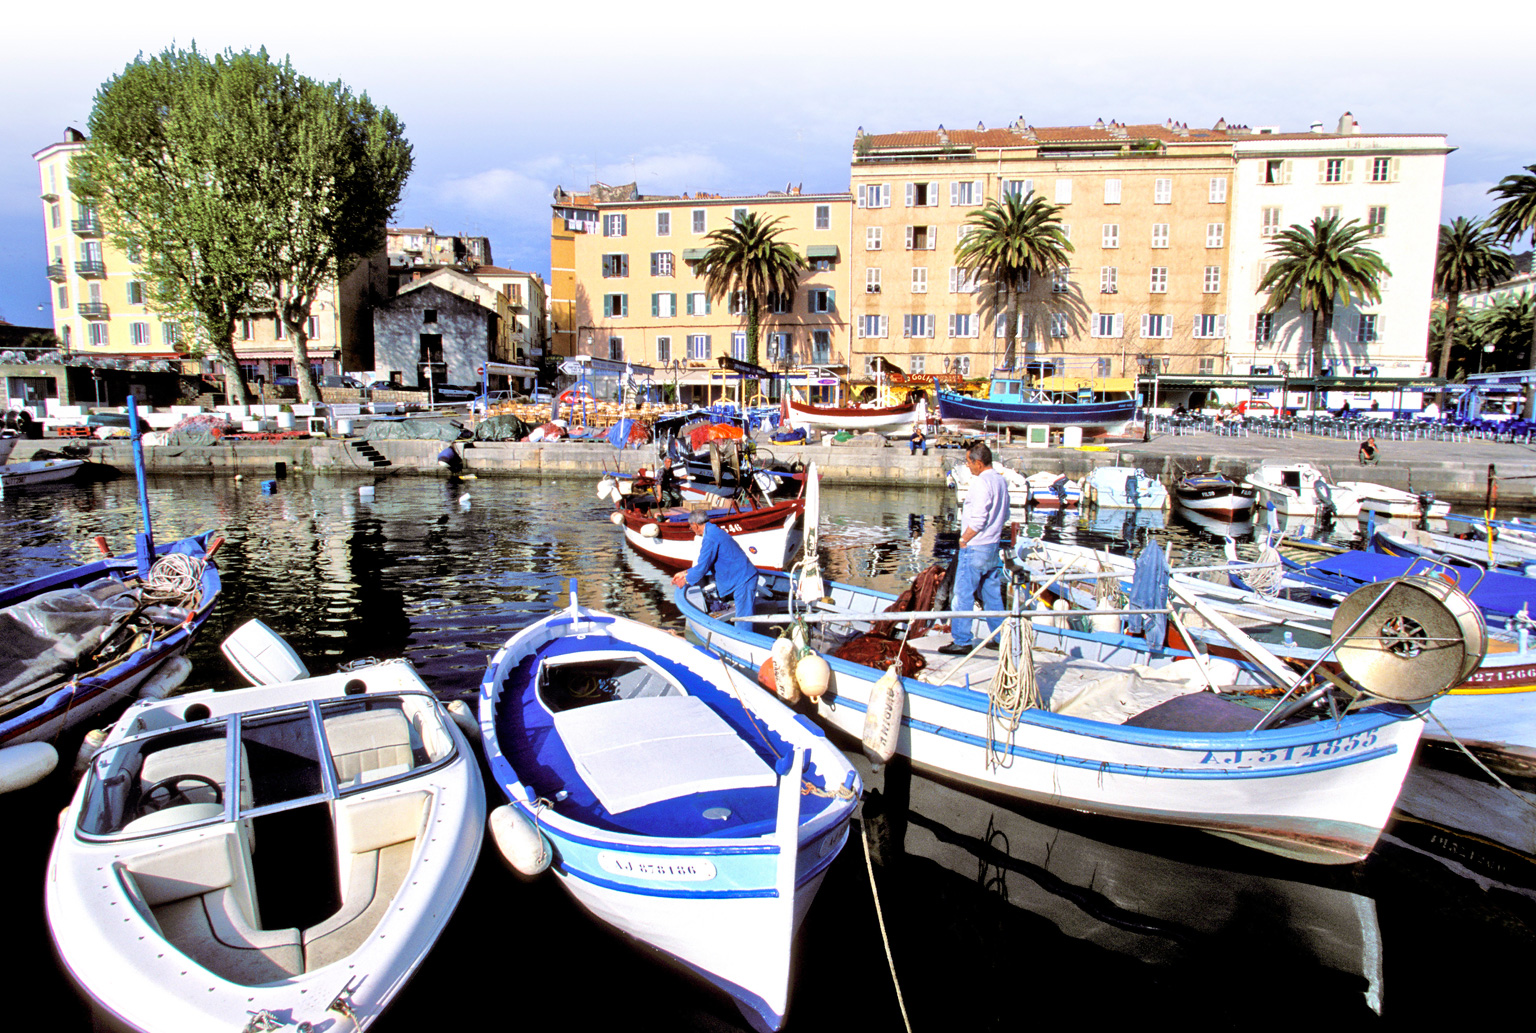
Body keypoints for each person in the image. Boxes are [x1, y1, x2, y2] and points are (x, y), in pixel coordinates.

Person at [942, 442, 1009, 655]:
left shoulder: (981, 483)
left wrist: (964, 539)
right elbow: (1005, 515)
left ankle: (962, 640)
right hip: (992, 546)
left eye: (969, 461)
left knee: (963, 595)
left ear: (979, 463)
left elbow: (979, 519)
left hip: (975, 546)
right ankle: (999, 637)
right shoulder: (1000, 480)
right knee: (991, 594)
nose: (967, 465)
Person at [672, 511, 760, 617]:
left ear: (695, 524)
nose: (691, 529)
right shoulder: (713, 530)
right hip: (742, 576)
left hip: (743, 579)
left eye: (690, 526)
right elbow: (707, 563)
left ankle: (744, 634)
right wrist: (684, 572)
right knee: (744, 614)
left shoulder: (710, 538)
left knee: (743, 620)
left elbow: (702, 566)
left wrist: (686, 580)